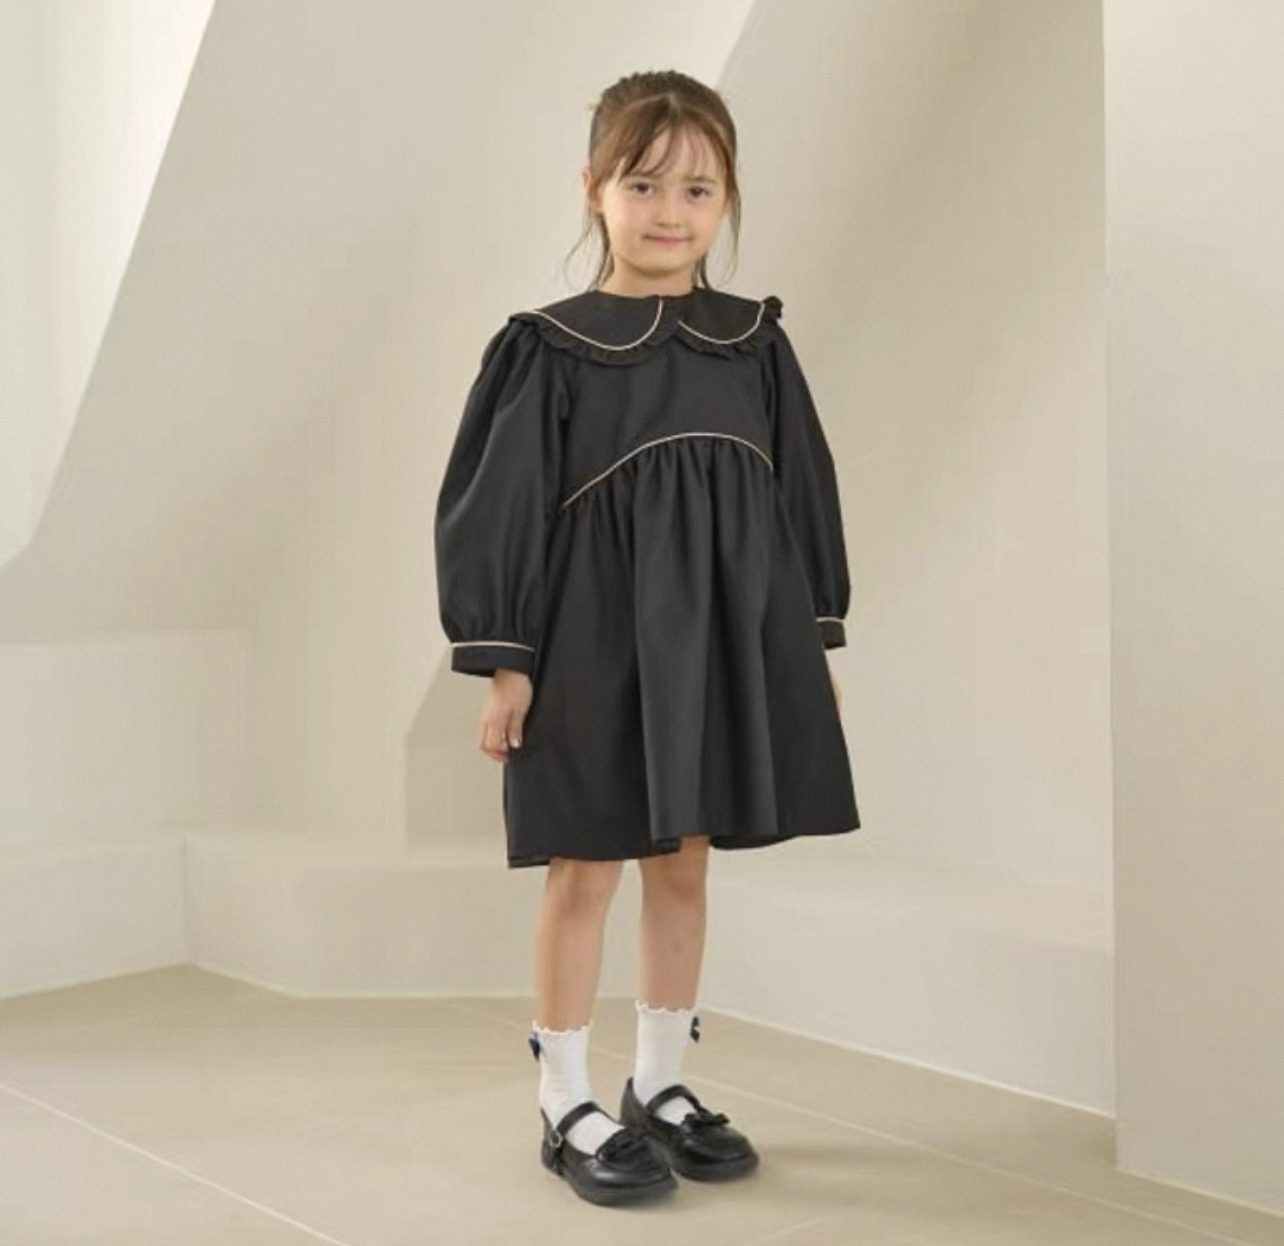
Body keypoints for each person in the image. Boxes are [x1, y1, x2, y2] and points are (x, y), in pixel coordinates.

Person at [433, 69, 860, 1207]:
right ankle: (564, 1096)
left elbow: (801, 491)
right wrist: (505, 663)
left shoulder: (753, 343)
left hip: (719, 643)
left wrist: (807, 641)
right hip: (593, 648)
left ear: (728, 200)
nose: (670, 211)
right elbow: (499, 507)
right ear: (594, 188)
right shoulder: (550, 348)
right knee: (586, 866)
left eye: (698, 189)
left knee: (684, 864)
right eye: (643, 184)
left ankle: (659, 1084)